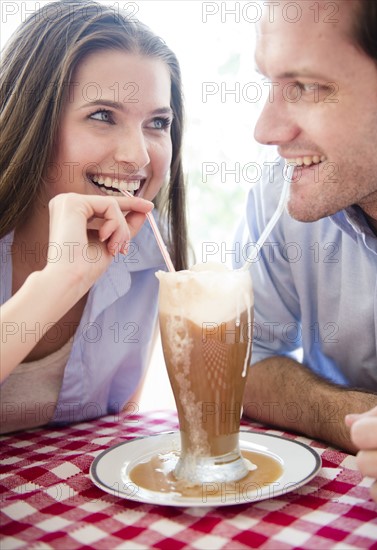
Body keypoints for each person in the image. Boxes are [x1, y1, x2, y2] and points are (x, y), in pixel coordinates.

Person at [0, 0, 188, 433]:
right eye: (103, 116)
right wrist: (57, 283)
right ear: (33, 122)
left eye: (158, 123)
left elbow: (115, 430)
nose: (138, 155)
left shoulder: (150, 248)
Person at [236, 0, 377, 503]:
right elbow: (243, 360)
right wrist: (362, 420)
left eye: (307, 87)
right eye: (270, 84)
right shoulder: (282, 193)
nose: (267, 131)